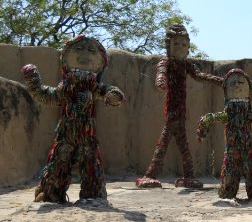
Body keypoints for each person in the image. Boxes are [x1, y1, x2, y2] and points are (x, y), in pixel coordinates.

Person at [22, 35, 125, 203]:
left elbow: (109, 91)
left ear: (101, 62)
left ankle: (93, 195)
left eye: (91, 50)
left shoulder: (93, 86)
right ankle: (51, 193)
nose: (84, 53)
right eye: (78, 49)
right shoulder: (66, 86)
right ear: (65, 56)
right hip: (65, 133)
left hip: (87, 135)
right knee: (59, 162)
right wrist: (34, 83)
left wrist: (114, 96)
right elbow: (47, 95)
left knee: (91, 163)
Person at [136, 24, 223, 188]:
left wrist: (218, 81)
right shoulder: (166, 62)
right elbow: (161, 73)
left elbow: (199, 75)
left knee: (179, 143)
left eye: (183, 44)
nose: (180, 48)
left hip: (180, 112)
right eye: (176, 44)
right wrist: (160, 81)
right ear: (168, 46)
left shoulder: (186, 65)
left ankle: (184, 176)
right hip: (172, 111)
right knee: (167, 142)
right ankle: (153, 175)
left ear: (188, 47)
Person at [197, 68, 252, 199]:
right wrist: (203, 127)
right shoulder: (227, 114)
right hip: (231, 155)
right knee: (228, 183)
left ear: (249, 89)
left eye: (241, 82)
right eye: (232, 83)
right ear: (225, 90)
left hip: (248, 154)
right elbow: (210, 118)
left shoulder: (250, 114)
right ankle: (228, 194)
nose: (236, 85)